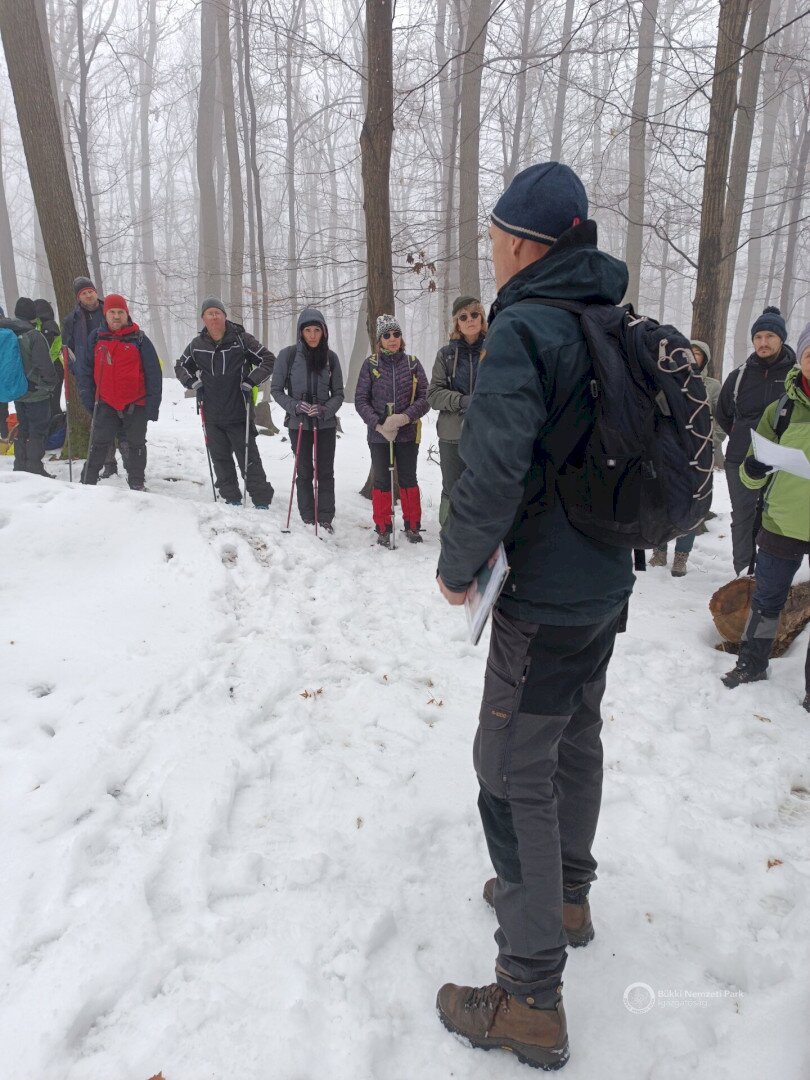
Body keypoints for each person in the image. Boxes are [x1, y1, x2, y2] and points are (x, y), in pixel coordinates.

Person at [434, 162, 635, 1070]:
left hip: (544, 598)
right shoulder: (607, 318)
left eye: (495, 236)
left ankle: (529, 997)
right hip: (604, 587)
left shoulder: (524, 328)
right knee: (575, 738)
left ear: (523, 244)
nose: (492, 249)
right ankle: (566, 898)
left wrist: (457, 567)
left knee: (511, 773)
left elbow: (492, 467)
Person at [721, 321, 810, 710]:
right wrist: (753, 468)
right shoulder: (781, 409)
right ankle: (751, 665)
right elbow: (750, 473)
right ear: (801, 358)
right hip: (781, 522)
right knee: (767, 599)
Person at [716, 307, 796, 575]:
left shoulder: (796, 375)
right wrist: (742, 438)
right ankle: (744, 575)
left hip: (784, 463)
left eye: (770, 336)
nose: (763, 342)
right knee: (743, 517)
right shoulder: (739, 376)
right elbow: (724, 414)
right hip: (740, 459)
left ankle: (772, 577)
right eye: (758, 337)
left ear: (781, 338)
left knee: (777, 519)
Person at [175, 297, 275, 508]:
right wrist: (192, 383)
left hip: (239, 410)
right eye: (209, 313)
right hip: (211, 412)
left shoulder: (241, 339)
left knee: (248, 458)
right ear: (203, 318)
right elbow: (180, 366)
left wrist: (251, 381)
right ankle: (231, 497)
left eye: (217, 313)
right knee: (220, 458)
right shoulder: (196, 345)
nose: (214, 317)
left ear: (224, 316)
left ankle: (261, 499)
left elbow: (268, 359)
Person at [648, 339, 724, 576]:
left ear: (705, 359)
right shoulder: (669, 380)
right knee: (662, 501)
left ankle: (681, 557)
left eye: (697, 353)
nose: (691, 356)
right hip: (670, 454)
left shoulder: (712, 386)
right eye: (688, 352)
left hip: (699, 456)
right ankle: (659, 551)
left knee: (692, 506)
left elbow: (721, 418)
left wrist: (711, 441)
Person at [354, 315, 429, 545]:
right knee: (382, 481)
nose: (392, 338)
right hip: (379, 435)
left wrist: (404, 417)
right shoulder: (370, 365)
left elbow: (426, 397)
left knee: (408, 478)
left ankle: (413, 525)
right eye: (386, 335)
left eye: (396, 334)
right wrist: (378, 423)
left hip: (407, 433)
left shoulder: (413, 364)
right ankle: (383, 527)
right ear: (380, 340)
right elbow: (360, 400)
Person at [270, 307, 344, 531]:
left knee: (325, 471)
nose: (312, 335)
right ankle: (307, 515)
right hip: (298, 423)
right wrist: (294, 406)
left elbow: (339, 393)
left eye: (317, 330)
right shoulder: (288, 355)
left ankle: (325, 517)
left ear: (324, 332)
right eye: (308, 330)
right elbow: (276, 390)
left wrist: (325, 409)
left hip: (325, 424)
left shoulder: (331, 358)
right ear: (300, 332)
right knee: (303, 471)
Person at [79, 293, 161, 490]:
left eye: (120, 312)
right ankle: (86, 484)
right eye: (112, 312)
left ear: (127, 314)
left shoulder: (140, 339)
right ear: (105, 314)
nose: (116, 316)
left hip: (136, 403)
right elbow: (85, 371)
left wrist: (152, 407)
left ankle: (137, 483)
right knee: (98, 444)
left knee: (136, 445)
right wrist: (88, 399)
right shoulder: (96, 338)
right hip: (105, 402)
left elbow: (154, 375)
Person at [428, 295, 487, 527]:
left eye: (474, 314)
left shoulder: (494, 350)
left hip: (487, 434)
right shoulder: (445, 354)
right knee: (451, 488)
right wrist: (462, 401)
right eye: (463, 317)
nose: (469, 319)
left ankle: (482, 538)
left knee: (485, 488)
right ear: (457, 323)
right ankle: (450, 536)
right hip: (452, 434)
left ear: (481, 318)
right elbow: (433, 394)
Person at [63, 275, 119, 478]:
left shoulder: (110, 312)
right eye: (84, 293)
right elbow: (66, 348)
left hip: (112, 372)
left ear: (95, 292)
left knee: (120, 416)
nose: (88, 295)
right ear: (78, 297)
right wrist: (75, 368)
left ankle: (130, 462)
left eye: (90, 291)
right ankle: (109, 462)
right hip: (88, 376)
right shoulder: (71, 319)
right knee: (99, 418)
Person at [0, 298, 57, 475]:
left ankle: (20, 465)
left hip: (18, 390)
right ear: (34, 315)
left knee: (23, 428)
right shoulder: (34, 335)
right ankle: (34, 467)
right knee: (37, 430)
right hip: (36, 392)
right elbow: (44, 365)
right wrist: (51, 382)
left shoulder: (8, 332)